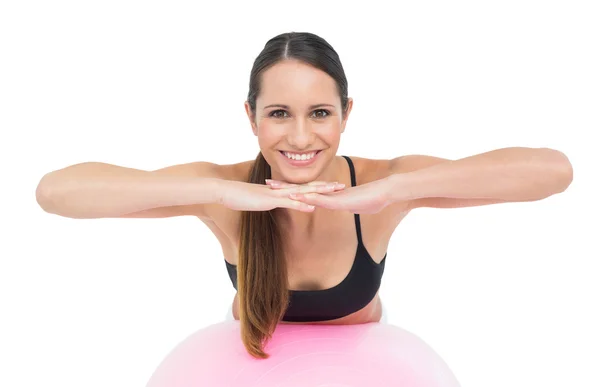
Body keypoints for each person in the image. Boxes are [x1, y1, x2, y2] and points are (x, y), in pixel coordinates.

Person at [35, 31, 574, 359]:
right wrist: (219, 192)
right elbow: (56, 192)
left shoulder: (383, 183)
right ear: (250, 116)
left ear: (346, 113)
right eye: (277, 114)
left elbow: (552, 172)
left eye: (320, 113)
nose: (299, 138)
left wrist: (396, 190)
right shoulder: (221, 191)